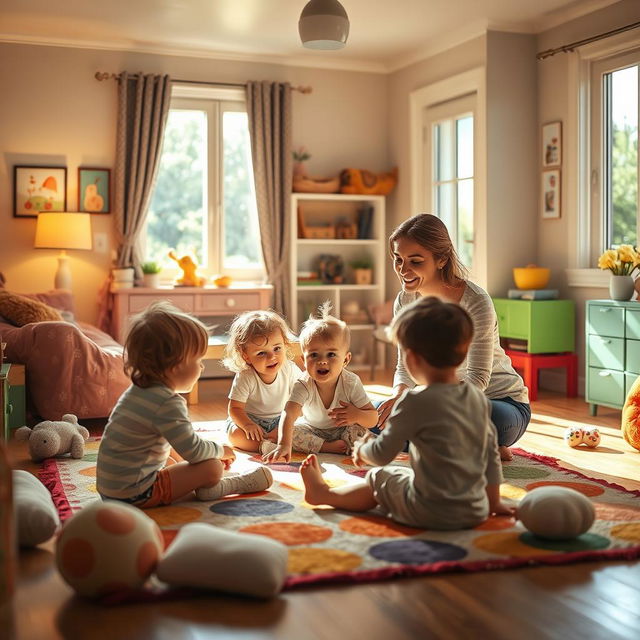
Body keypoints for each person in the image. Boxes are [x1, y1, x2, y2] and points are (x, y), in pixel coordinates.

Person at [299, 296, 514, 529]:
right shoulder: (477, 399)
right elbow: (491, 455)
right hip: (475, 510)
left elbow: (382, 455)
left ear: (411, 359)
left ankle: (324, 495)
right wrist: (493, 503)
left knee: (381, 477)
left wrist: (363, 449)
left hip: (427, 511)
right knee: (407, 478)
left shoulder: (414, 401)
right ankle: (484, 502)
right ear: (463, 355)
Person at [377, 213, 530, 461]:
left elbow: (478, 378)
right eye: (398, 260)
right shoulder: (405, 300)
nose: (403, 270)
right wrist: (398, 397)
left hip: (498, 403)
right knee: (375, 415)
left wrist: (431, 406)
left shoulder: (476, 301)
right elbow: (404, 368)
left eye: (415, 261)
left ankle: (458, 440)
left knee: (491, 421)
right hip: (436, 404)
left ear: (442, 259)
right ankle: (473, 445)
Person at [96, 301, 273, 506]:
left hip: (111, 490)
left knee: (174, 455)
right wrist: (220, 450)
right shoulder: (167, 403)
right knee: (212, 468)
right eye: (198, 361)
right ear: (175, 366)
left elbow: (177, 442)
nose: (201, 368)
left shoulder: (137, 392)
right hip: (135, 494)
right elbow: (194, 450)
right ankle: (225, 487)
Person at [263, 302, 378, 463]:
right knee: (291, 432)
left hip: (344, 429)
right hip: (313, 430)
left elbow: (373, 418)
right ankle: (327, 447)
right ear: (303, 360)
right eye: (314, 355)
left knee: (361, 433)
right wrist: (283, 445)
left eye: (331, 354)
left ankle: (350, 446)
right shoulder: (303, 384)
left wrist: (357, 414)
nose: (322, 361)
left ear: (346, 359)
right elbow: (289, 414)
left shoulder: (351, 382)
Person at [223, 310, 302, 454]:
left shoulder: (290, 369)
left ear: (285, 344)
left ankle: (280, 442)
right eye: (261, 353)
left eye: (277, 348)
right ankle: (264, 446)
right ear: (246, 356)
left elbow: (301, 402)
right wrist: (248, 425)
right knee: (235, 435)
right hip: (251, 420)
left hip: (282, 419)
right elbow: (235, 409)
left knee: (301, 428)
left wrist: (283, 427)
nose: (272, 357)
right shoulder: (246, 376)